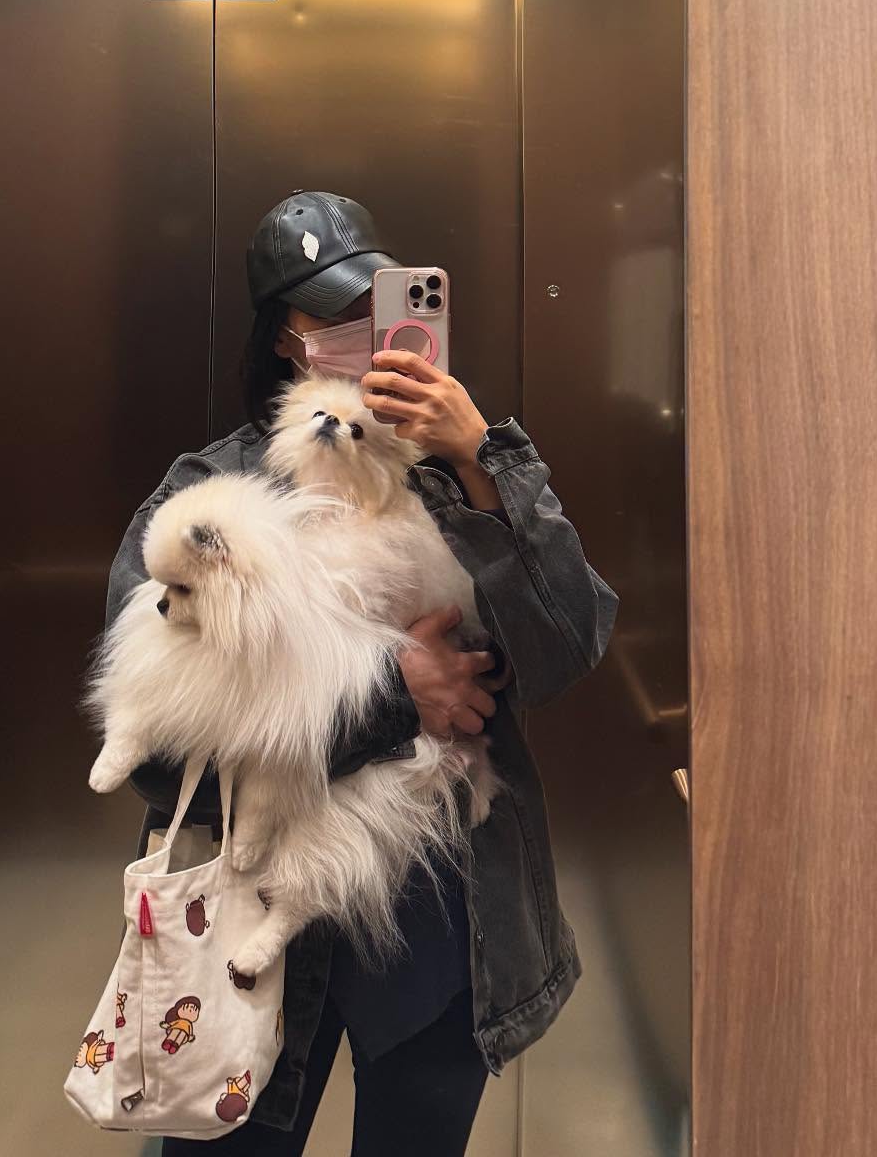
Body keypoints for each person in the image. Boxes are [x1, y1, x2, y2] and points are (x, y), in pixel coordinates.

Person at [104, 191, 616, 1157]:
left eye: (369, 307)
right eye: (329, 316)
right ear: (284, 338)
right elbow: (159, 759)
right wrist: (395, 696)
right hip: (247, 928)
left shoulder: (458, 476)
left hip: (442, 919)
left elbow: (569, 651)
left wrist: (483, 464)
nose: (355, 333)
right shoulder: (207, 496)